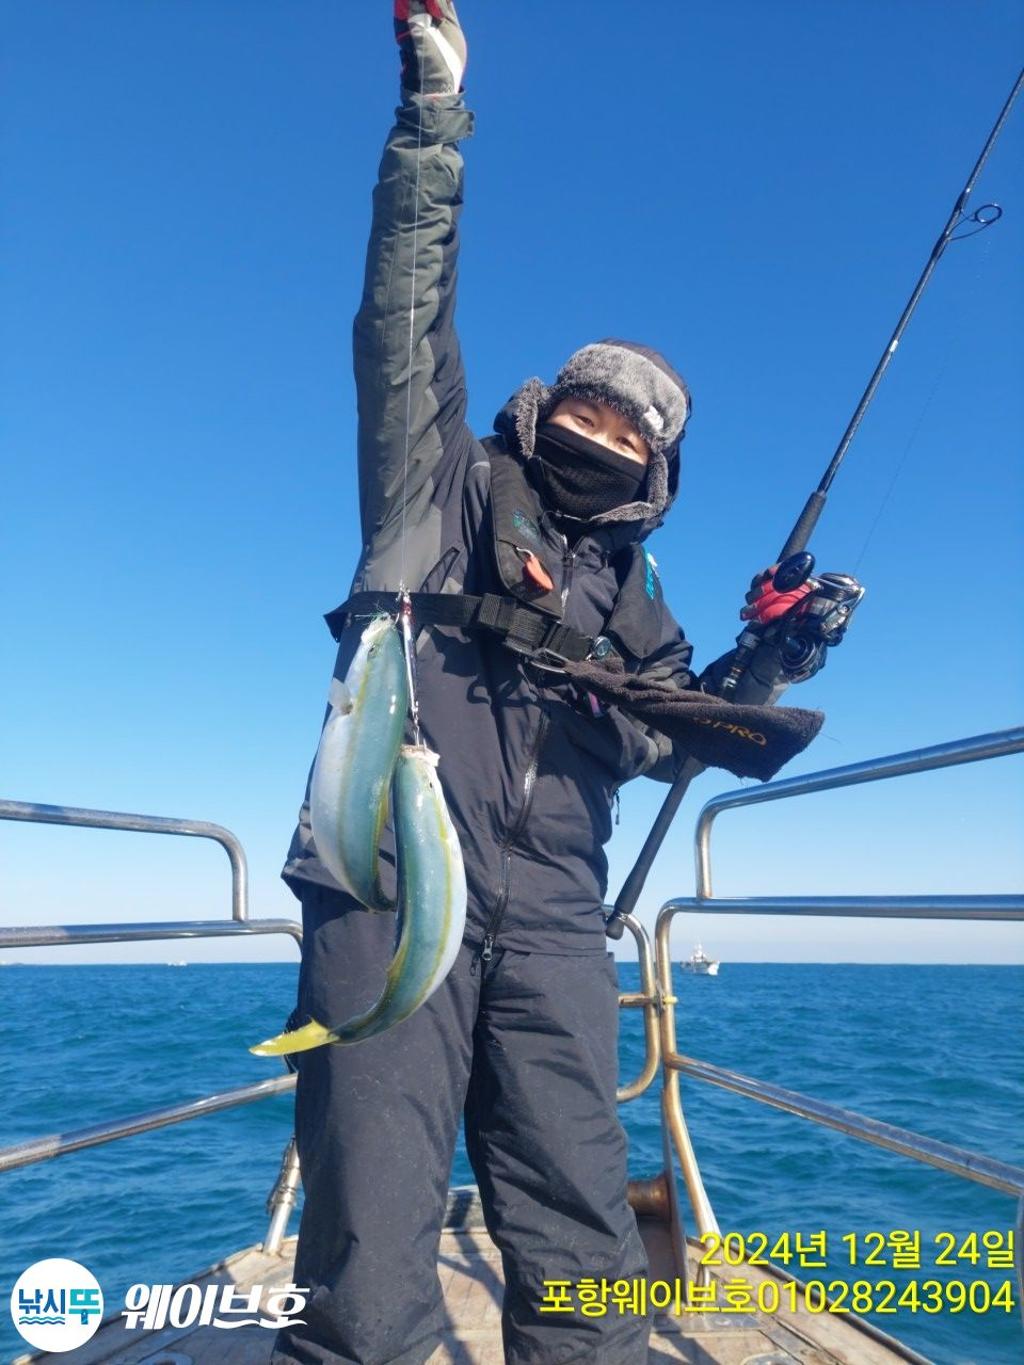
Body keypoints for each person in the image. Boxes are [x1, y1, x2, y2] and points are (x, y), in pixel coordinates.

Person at [270, 6, 855, 1363]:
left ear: (661, 469)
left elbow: (676, 742)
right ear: (546, 412)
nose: (606, 427)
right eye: (588, 405)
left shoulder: (643, 610)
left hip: (553, 922)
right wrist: (434, 117)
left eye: (634, 426)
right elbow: (402, 309)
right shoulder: (441, 485)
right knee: (369, 1217)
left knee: (586, 1218)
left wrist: (775, 652)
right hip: (390, 881)